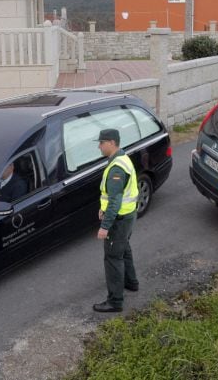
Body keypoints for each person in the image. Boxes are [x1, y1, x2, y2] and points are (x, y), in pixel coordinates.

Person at [92, 128, 140, 313]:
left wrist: (105, 227)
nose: (99, 146)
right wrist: (102, 209)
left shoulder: (117, 168)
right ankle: (131, 282)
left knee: (113, 258)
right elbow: (112, 197)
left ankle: (115, 301)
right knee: (124, 249)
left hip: (119, 220)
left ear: (111, 143)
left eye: (101, 143)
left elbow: (115, 200)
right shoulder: (122, 159)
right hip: (128, 215)